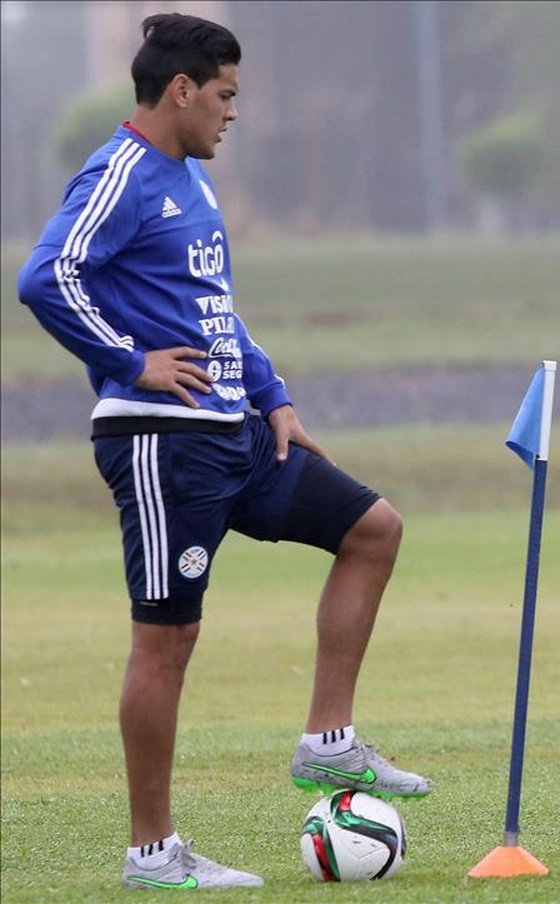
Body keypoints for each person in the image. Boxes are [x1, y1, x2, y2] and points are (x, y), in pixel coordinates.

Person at [18, 13, 431, 891]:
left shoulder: (191, 182)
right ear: (182, 89)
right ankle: (152, 854)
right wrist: (130, 362)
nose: (232, 113)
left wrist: (271, 393)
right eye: (226, 95)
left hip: (235, 433)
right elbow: (46, 276)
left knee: (373, 530)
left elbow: (211, 306)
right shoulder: (121, 171)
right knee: (166, 642)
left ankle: (328, 743)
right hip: (162, 442)